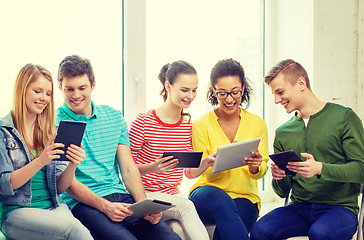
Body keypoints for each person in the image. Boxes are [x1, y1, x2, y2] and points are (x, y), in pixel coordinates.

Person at [56, 55, 181, 240]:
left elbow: (129, 169)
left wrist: (145, 205)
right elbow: (67, 183)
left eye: (82, 88)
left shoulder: (114, 117)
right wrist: (105, 206)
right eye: (69, 89)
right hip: (82, 204)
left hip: (121, 196)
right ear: (60, 88)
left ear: (93, 85)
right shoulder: (54, 123)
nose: (76, 95)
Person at [250, 59, 364, 240]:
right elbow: (281, 192)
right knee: (259, 231)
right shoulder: (283, 132)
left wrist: (320, 168)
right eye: (274, 94)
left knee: (320, 234)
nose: (276, 100)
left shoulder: (345, 118)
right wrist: (280, 176)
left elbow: (360, 170)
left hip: (340, 209)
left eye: (280, 92)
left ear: (301, 83)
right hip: (299, 208)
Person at [0, 64, 92, 240]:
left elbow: (59, 187)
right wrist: (41, 160)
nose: (44, 98)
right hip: (17, 212)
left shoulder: (52, 132)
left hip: (53, 206)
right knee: (74, 230)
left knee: (80, 230)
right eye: (38, 91)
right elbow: (5, 186)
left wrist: (73, 163)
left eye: (48, 94)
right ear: (22, 90)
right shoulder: (3, 131)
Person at [186, 58, 269, 240]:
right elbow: (208, 176)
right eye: (222, 93)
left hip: (245, 197)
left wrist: (255, 166)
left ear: (243, 89)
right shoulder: (201, 124)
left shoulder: (257, 124)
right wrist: (214, 163)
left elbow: (260, 171)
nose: (229, 99)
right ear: (214, 91)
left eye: (235, 92)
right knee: (222, 203)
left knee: (225, 231)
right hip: (207, 193)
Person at [128, 60, 210, 240]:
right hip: (143, 196)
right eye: (184, 89)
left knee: (178, 231)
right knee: (187, 206)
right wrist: (153, 167)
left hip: (171, 196)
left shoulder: (188, 126)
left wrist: (205, 164)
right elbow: (126, 169)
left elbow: (188, 173)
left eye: (194, 90)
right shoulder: (143, 122)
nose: (190, 95)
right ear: (168, 87)